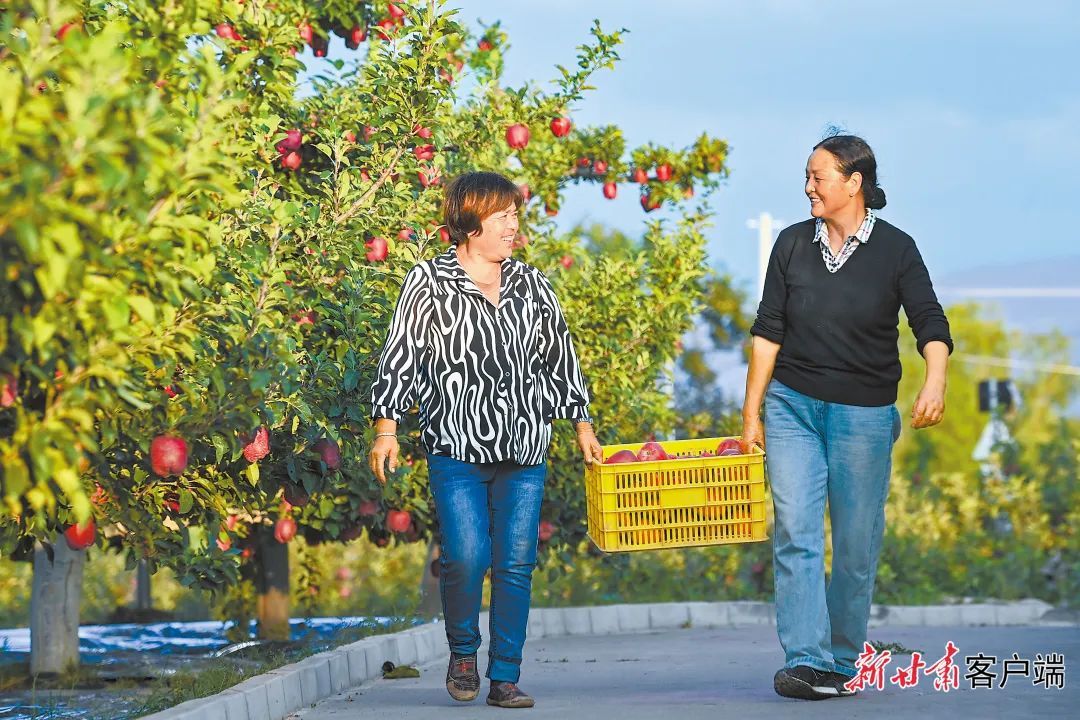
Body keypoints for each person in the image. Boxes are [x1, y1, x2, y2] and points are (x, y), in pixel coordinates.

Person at [368, 170, 603, 709]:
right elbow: (401, 354)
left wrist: (582, 425)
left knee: (516, 563)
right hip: (456, 446)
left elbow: (558, 357)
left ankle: (505, 677)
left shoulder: (532, 284)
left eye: (514, 216)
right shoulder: (427, 282)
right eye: (502, 218)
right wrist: (387, 428)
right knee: (468, 557)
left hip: (524, 448)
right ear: (471, 224)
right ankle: (464, 653)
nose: (512, 227)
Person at [742, 134, 952, 700]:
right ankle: (805, 661)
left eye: (819, 176)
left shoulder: (897, 250)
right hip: (792, 405)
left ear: (853, 182)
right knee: (796, 532)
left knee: (856, 545)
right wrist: (751, 412)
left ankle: (841, 658)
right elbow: (768, 332)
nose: (808, 186)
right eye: (807, 176)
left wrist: (935, 380)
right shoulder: (790, 244)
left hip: (863, 413)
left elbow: (930, 323)